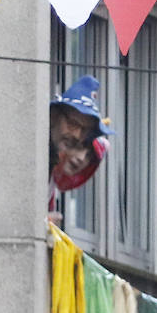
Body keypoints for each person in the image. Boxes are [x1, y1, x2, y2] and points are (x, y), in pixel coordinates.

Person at [48, 75, 114, 222]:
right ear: (53, 115)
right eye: (73, 124)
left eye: (84, 131)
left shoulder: (49, 169)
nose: (77, 135)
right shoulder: (32, 153)